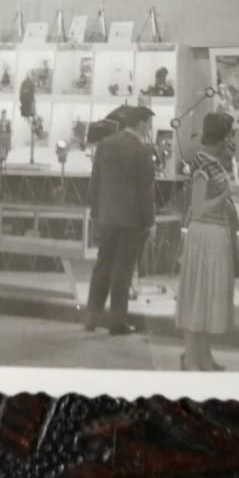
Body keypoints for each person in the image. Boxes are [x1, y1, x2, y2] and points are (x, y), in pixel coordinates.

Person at [84, 105, 156, 335]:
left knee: (102, 266)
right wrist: (150, 222)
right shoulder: (141, 150)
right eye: (149, 125)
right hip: (131, 220)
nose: (149, 129)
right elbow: (146, 191)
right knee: (122, 271)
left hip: (107, 217)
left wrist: (96, 211)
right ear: (141, 124)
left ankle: (91, 318)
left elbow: (95, 181)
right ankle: (117, 322)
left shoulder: (105, 145)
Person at [176, 112, 237, 371]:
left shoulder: (215, 162)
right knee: (199, 297)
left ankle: (204, 356)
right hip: (205, 237)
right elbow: (198, 208)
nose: (232, 139)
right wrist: (225, 195)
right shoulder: (202, 163)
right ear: (222, 136)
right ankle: (192, 358)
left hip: (215, 234)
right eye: (230, 134)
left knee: (208, 297)